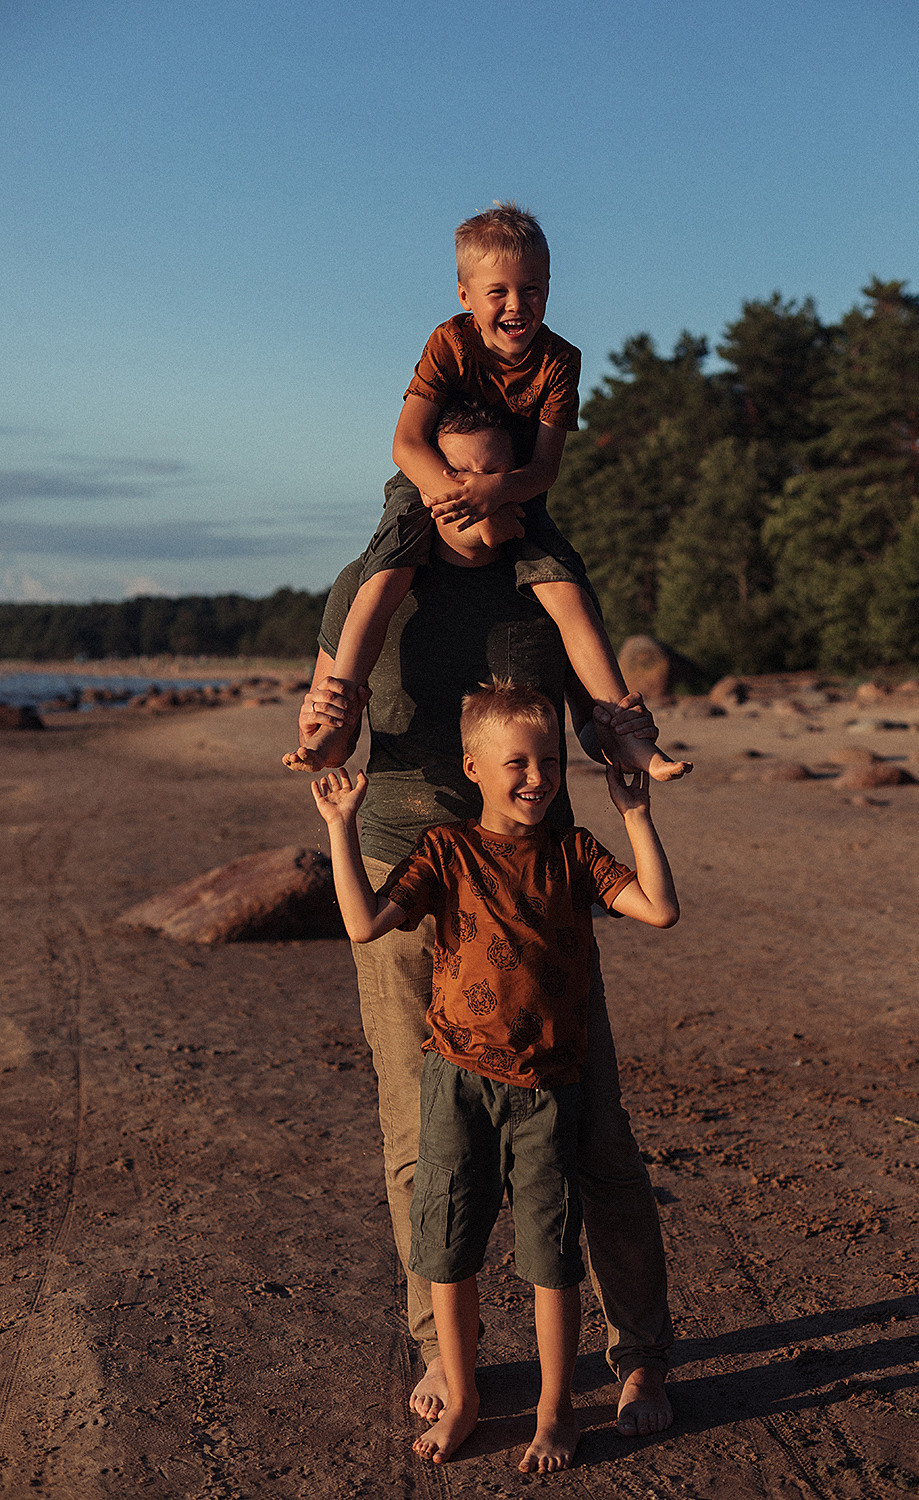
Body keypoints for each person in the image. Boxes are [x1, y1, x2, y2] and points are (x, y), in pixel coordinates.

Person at [287, 405, 685, 1438]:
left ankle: (639, 1354)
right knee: (422, 1135)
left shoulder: (539, 579)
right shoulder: (372, 586)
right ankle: (441, 1352)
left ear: (517, 482)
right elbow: (329, 707)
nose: (466, 495)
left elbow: (600, 712)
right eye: (447, 475)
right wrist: (321, 738)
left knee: (596, 1134)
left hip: (536, 886)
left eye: (488, 477)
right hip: (407, 864)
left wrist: (638, 752)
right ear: (422, 482)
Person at [311, 681, 681, 1470]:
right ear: (473, 768)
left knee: (551, 1258)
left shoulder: (573, 853)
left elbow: (658, 908)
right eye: (516, 762)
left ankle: (556, 1412)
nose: (537, 777)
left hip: (551, 1088)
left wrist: (635, 813)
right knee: (448, 1249)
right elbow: (363, 923)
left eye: (549, 761)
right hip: (456, 1083)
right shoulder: (445, 851)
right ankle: (468, 1392)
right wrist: (342, 828)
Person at [303, 201, 684, 784]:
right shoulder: (449, 344)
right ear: (465, 295)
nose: (515, 305)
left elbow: (546, 468)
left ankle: (623, 732)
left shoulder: (561, 361)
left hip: (514, 484)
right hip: (431, 476)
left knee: (566, 585)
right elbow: (406, 444)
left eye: (531, 289)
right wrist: (456, 497)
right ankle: (335, 712)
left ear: (550, 287)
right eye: (497, 291)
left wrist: (495, 496)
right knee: (383, 574)